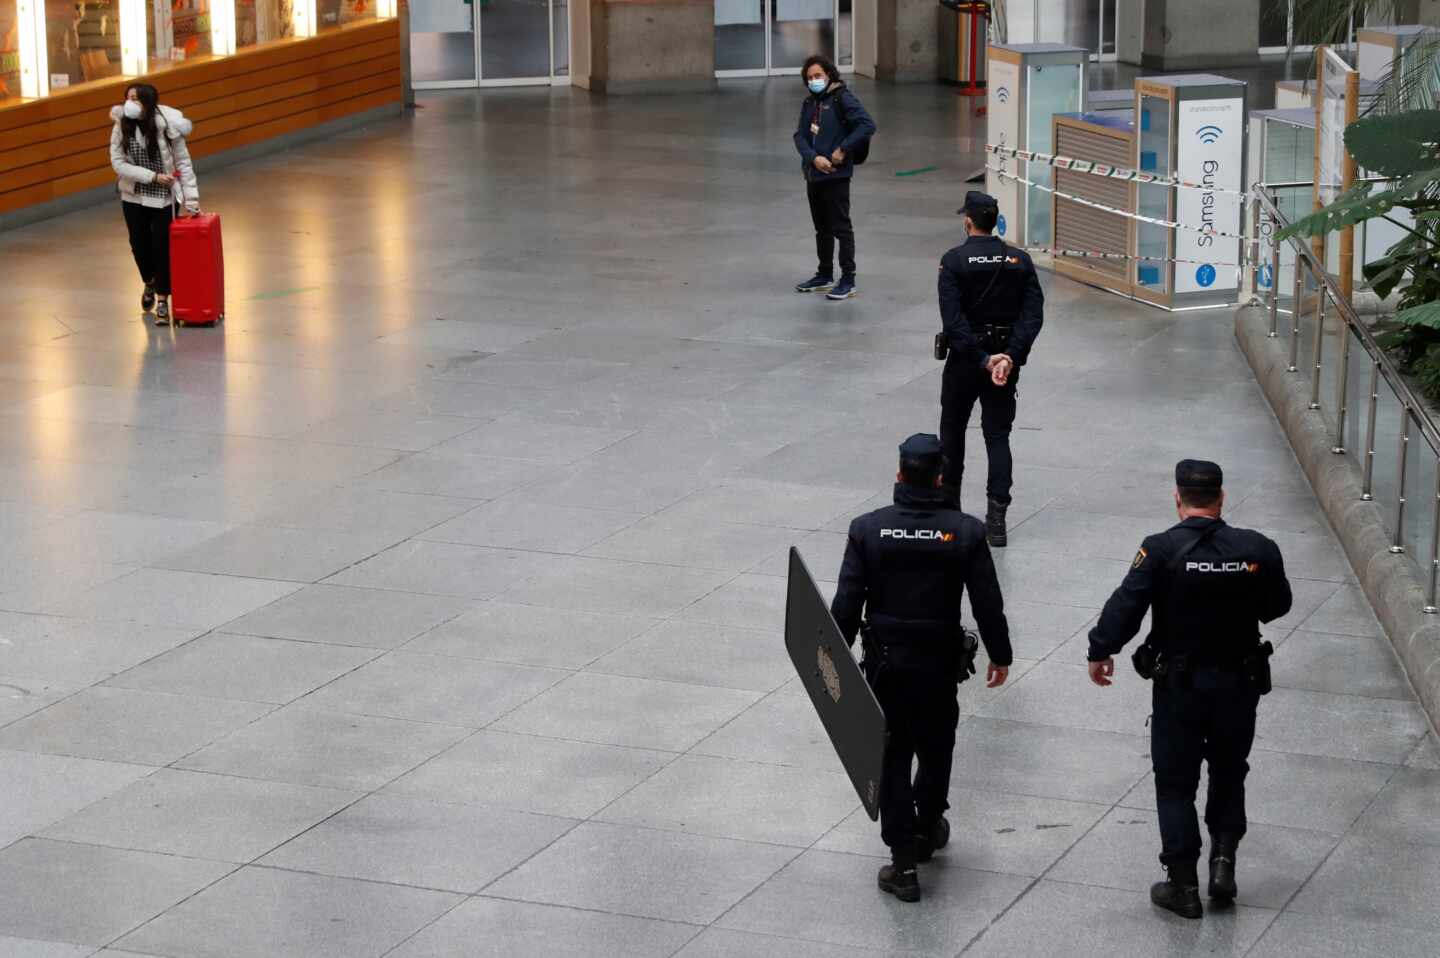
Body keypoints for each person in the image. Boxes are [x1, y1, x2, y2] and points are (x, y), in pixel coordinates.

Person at [1085, 460, 1292, 920]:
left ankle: (1182, 885)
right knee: (1229, 769)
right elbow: (1278, 606)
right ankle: (1222, 863)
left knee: (1175, 782)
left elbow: (1127, 605)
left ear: (1177, 499)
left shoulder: (1159, 549)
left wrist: (1101, 649)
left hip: (1179, 686)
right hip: (1238, 684)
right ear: (1222, 498)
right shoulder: (1257, 548)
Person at [831, 433, 1012, 903]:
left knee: (891, 756)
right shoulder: (965, 531)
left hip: (886, 667)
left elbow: (847, 605)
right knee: (936, 745)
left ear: (898, 475)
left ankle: (903, 864)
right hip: (937, 665)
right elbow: (987, 600)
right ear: (939, 478)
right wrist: (1001, 653)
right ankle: (928, 824)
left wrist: (829, 662)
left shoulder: (867, 529)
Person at [936, 191, 1044, 547]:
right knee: (997, 436)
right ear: (996, 222)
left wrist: (982, 359)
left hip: (967, 362)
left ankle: (950, 512)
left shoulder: (953, 262)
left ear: (967, 221)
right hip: (1004, 364)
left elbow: (953, 322)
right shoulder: (1020, 261)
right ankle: (996, 519)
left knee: (953, 431)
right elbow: (1033, 316)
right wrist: (1008, 357)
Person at [110, 83, 200, 325]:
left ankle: (162, 299)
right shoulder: (121, 126)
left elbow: (183, 163)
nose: (130, 103)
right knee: (139, 245)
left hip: (164, 200)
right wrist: (152, 176)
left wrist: (191, 199)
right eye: (128, 98)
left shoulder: (168, 125)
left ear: (149, 103)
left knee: (162, 248)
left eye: (137, 99)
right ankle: (149, 282)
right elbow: (118, 163)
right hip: (134, 196)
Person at [793, 54, 875, 302]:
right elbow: (800, 136)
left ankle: (848, 278)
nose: (814, 80)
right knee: (822, 228)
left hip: (836, 175)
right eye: (809, 78)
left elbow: (866, 125)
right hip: (814, 173)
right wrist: (813, 158)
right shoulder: (810, 103)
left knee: (841, 227)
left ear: (829, 75)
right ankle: (824, 274)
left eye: (817, 75)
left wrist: (842, 149)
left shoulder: (842, 98)